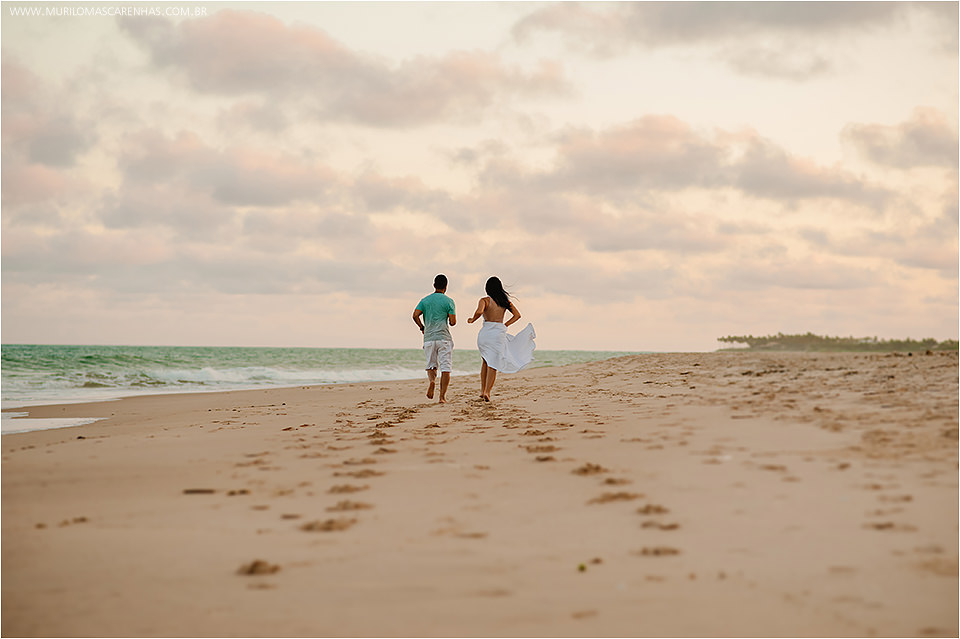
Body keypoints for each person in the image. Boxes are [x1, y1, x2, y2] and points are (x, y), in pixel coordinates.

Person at [467, 276, 536, 401]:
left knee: (485, 361)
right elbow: (517, 315)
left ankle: (482, 391)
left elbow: (479, 312)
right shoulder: (504, 301)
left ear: (487, 288)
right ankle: (487, 392)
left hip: (486, 334)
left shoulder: (484, 300)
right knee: (493, 363)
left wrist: (472, 319)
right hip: (498, 334)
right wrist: (505, 325)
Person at [413, 274, 457, 403]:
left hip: (429, 338)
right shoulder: (449, 301)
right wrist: (448, 318)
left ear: (434, 285)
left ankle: (432, 381)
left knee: (431, 365)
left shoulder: (425, 300)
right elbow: (453, 322)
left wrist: (422, 327)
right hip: (444, 337)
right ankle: (442, 397)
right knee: (445, 367)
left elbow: (415, 315)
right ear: (446, 287)